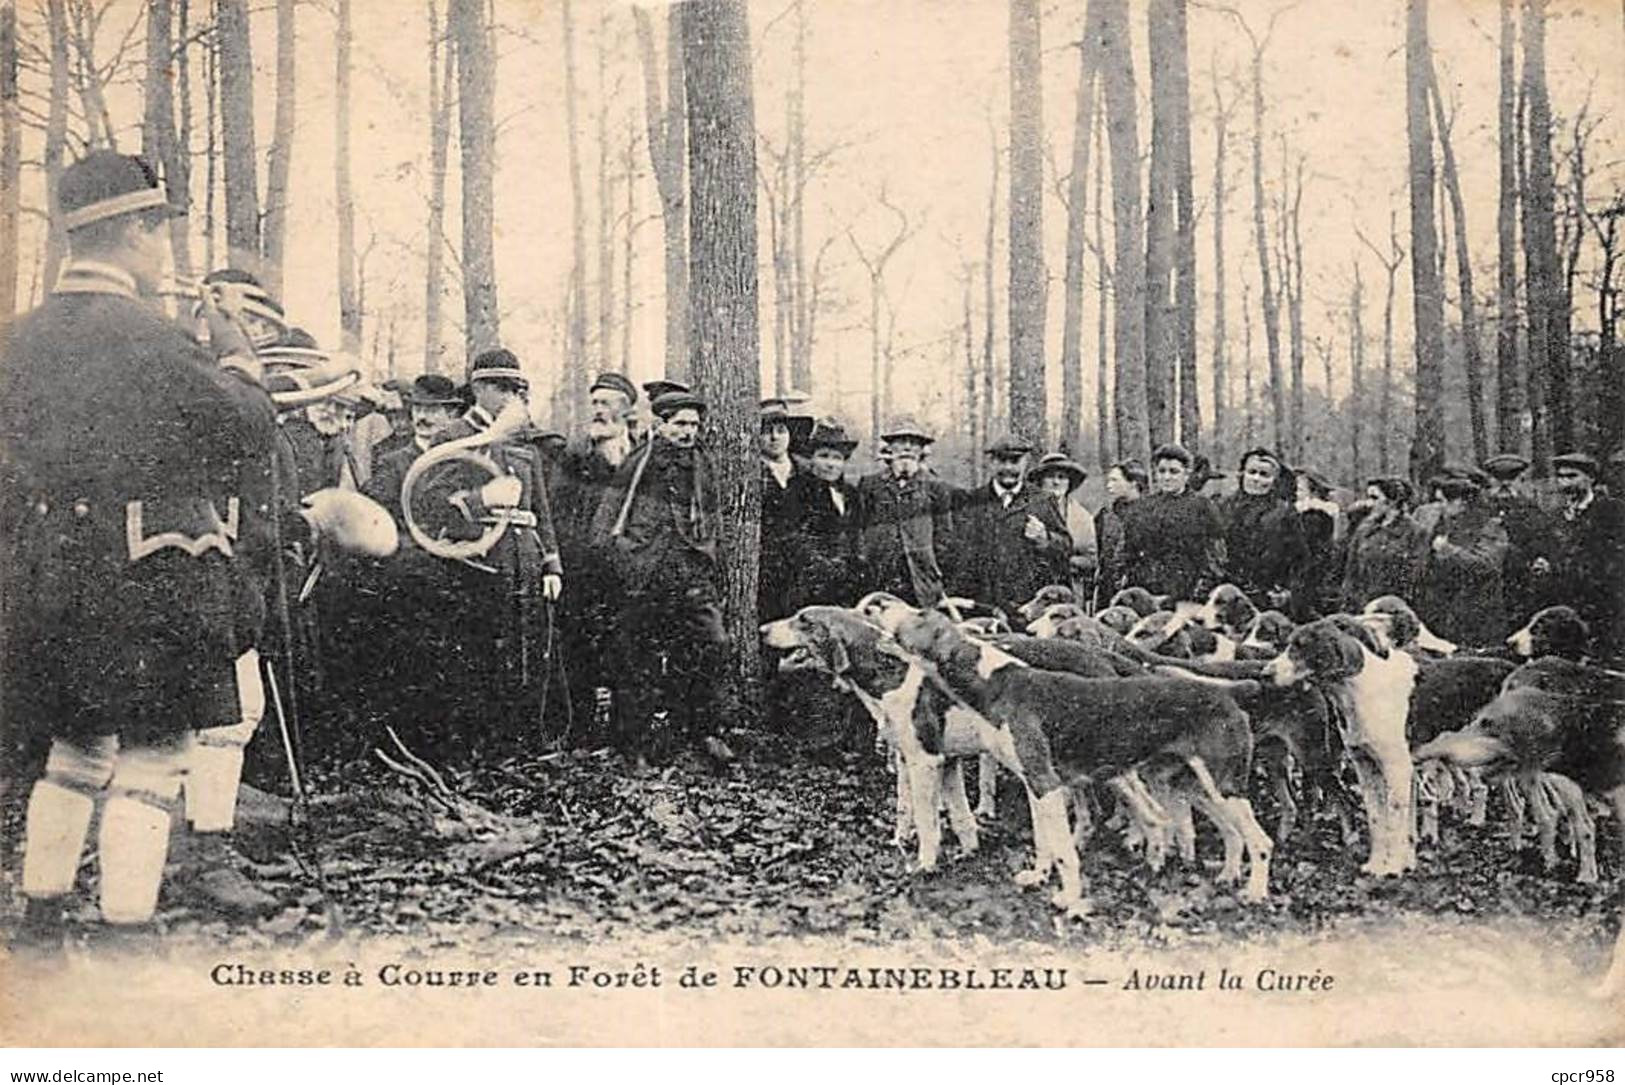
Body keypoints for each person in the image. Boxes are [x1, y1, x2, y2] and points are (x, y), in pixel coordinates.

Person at [0, 152, 274, 945]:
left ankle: (41, 915)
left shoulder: (17, 340)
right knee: (157, 752)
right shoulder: (152, 338)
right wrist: (235, 348)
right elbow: (247, 430)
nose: (163, 254)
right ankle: (127, 932)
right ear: (133, 230)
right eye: (159, 234)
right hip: (150, 570)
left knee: (75, 747)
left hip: (45, 570)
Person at [419, 349, 564, 753]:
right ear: (479, 389)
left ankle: (518, 742)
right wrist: (482, 500)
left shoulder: (523, 442)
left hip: (524, 559)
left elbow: (540, 510)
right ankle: (472, 747)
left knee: (525, 647)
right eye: (500, 388)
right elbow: (430, 505)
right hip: (475, 562)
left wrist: (552, 564)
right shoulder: (452, 438)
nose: (510, 397)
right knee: (476, 652)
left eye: (515, 389)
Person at [591, 390, 732, 767]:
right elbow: (606, 522)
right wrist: (626, 560)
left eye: (694, 425)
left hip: (690, 576)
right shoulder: (639, 462)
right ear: (661, 423)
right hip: (644, 577)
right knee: (637, 659)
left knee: (712, 644)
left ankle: (704, 731)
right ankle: (632, 743)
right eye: (681, 424)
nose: (689, 432)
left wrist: (705, 559)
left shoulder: (703, 463)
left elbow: (713, 519)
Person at [553, 371, 640, 741]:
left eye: (607, 403)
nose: (599, 411)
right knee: (579, 650)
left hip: (628, 570)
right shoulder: (575, 455)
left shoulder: (642, 452)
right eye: (595, 403)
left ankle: (624, 733)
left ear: (626, 408)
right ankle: (581, 730)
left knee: (626, 649)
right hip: (583, 570)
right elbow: (558, 508)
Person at [951, 435, 1070, 617]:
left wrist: (1045, 539)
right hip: (983, 607)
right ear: (991, 462)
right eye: (1001, 461)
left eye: (1014, 461)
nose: (1008, 467)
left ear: (1026, 463)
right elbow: (959, 557)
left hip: (1028, 607)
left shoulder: (1042, 500)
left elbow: (1065, 546)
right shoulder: (972, 500)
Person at [855, 416, 957, 607]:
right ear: (890, 448)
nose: (907, 448)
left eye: (914, 443)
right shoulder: (870, 484)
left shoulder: (936, 486)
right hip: (879, 578)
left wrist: (933, 568)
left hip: (920, 581)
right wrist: (866, 561)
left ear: (921, 451)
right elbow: (859, 527)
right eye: (901, 442)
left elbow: (945, 536)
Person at [1540, 452, 1625, 661]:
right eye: (1561, 477)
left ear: (1591, 479)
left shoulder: (1612, 511)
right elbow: (1550, 549)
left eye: (1572, 476)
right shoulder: (1554, 515)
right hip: (1567, 598)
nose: (1565, 483)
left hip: (1604, 601)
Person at [1415, 471, 1509, 650]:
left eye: (1442, 501)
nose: (1439, 507)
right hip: (1442, 611)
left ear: (1460, 502)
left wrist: (1449, 551)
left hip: (1476, 613)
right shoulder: (1442, 523)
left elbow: (1488, 565)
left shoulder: (1490, 526)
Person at [1119, 444, 1226, 602]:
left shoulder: (1202, 507)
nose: (1167, 477)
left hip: (1186, 595)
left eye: (1174, 472)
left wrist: (1199, 593)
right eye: (1162, 471)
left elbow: (1216, 558)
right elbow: (1126, 552)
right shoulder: (1141, 507)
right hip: (1146, 595)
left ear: (1186, 474)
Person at [1216, 448, 1311, 616]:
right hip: (1225, 594)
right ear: (1242, 474)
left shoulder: (1284, 512)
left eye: (1264, 474)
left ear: (1274, 480)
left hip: (1267, 598)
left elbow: (1299, 559)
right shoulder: (1223, 507)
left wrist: (1287, 592)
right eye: (1252, 472)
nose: (1256, 479)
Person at [790, 418, 863, 607]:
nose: (831, 464)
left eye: (837, 458)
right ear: (811, 459)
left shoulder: (851, 493)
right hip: (810, 585)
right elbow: (796, 538)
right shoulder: (797, 490)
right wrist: (826, 567)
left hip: (848, 586)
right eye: (824, 456)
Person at [1481, 453, 1552, 629]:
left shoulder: (1530, 508)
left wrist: (1539, 558)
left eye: (1511, 478)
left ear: (1520, 480)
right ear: (1490, 480)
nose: (1505, 484)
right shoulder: (1480, 508)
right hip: (1485, 576)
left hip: (1520, 576)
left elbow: (1542, 537)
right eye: (1499, 479)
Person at [1340, 476, 1425, 612]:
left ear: (1392, 501)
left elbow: (1414, 574)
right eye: (1368, 497)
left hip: (1394, 606)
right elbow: (1351, 571)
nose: (1369, 503)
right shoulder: (1364, 529)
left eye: (1375, 498)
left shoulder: (1414, 532)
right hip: (1361, 604)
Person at [1031, 452, 1098, 603]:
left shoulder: (1082, 516)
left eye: (1062, 477)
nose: (1056, 482)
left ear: (1069, 483)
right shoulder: (1028, 510)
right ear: (1040, 481)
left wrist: (1066, 562)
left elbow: (1091, 560)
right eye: (1050, 477)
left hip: (1071, 590)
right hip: (1033, 590)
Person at [758, 398, 803, 624]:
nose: (774, 437)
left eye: (781, 430)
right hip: (766, 572)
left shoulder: (805, 471)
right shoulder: (750, 473)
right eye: (766, 431)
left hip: (802, 572)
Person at [1094, 459, 1148, 606]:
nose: (1108, 485)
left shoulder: (1150, 515)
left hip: (1138, 591)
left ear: (1133, 483)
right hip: (1107, 588)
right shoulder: (1106, 515)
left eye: (1114, 480)